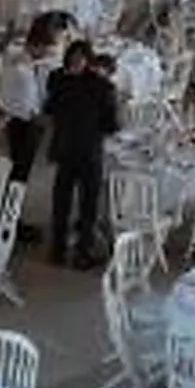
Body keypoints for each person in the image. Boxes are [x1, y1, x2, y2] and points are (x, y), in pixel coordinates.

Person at [43, 38, 119, 269]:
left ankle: (57, 250)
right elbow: (111, 126)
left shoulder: (56, 79)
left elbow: (48, 109)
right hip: (89, 152)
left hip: (64, 148)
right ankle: (82, 254)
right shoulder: (103, 87)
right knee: (88, 205)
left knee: (61, 201)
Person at [0, 15, 66, 243]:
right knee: (19, 176)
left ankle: (11, 219)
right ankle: (11, 225)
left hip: (14, 120)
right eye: (50, 46)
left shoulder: (17, 56)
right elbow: (34, 114)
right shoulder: (23, 72)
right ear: (38, 44)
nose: (52, 52)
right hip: (23, 126)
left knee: (17, 175)